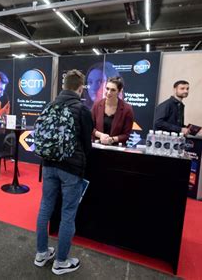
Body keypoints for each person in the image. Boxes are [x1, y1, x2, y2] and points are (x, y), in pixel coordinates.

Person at [35, 70, 93, 275]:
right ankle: (61, 261)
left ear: (63, 86)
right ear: (80, 87)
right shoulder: (82, 109)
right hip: (71, 168)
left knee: (45, 208)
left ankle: (41, 253)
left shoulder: (49, 106)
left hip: (48, 164)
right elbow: (88, 143)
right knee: (68, 213)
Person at [92, 77, 134, 145]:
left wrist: (112, 139)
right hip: (97, 147)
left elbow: (126, 135)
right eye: (107, 89)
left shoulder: (127, 109)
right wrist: (101, 135)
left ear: (119, 91)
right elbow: (90, 128)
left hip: (116, 149)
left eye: (113, 90)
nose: (108, 92)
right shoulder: (96, 105)